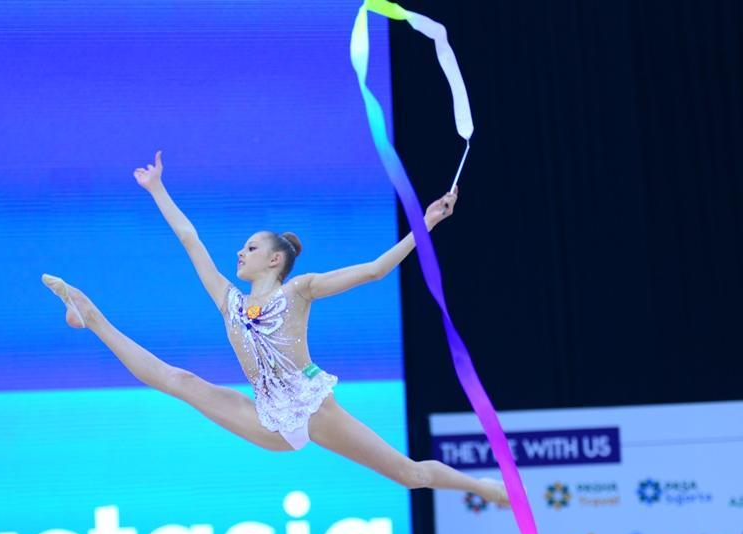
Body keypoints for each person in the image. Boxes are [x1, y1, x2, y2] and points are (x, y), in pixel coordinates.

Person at [42, 151, 510, 507]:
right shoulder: (229, 301)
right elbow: (190, 239)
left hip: (311, 408)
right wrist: (157, 189)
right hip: (269, 421)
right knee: (178, 382)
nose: (239, 253)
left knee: (410, 475)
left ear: (274, 259)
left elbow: (372, 271)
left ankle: (484, 487)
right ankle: (91, 314)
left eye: (249, 247)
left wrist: (425, 224)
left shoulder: (299, 290)